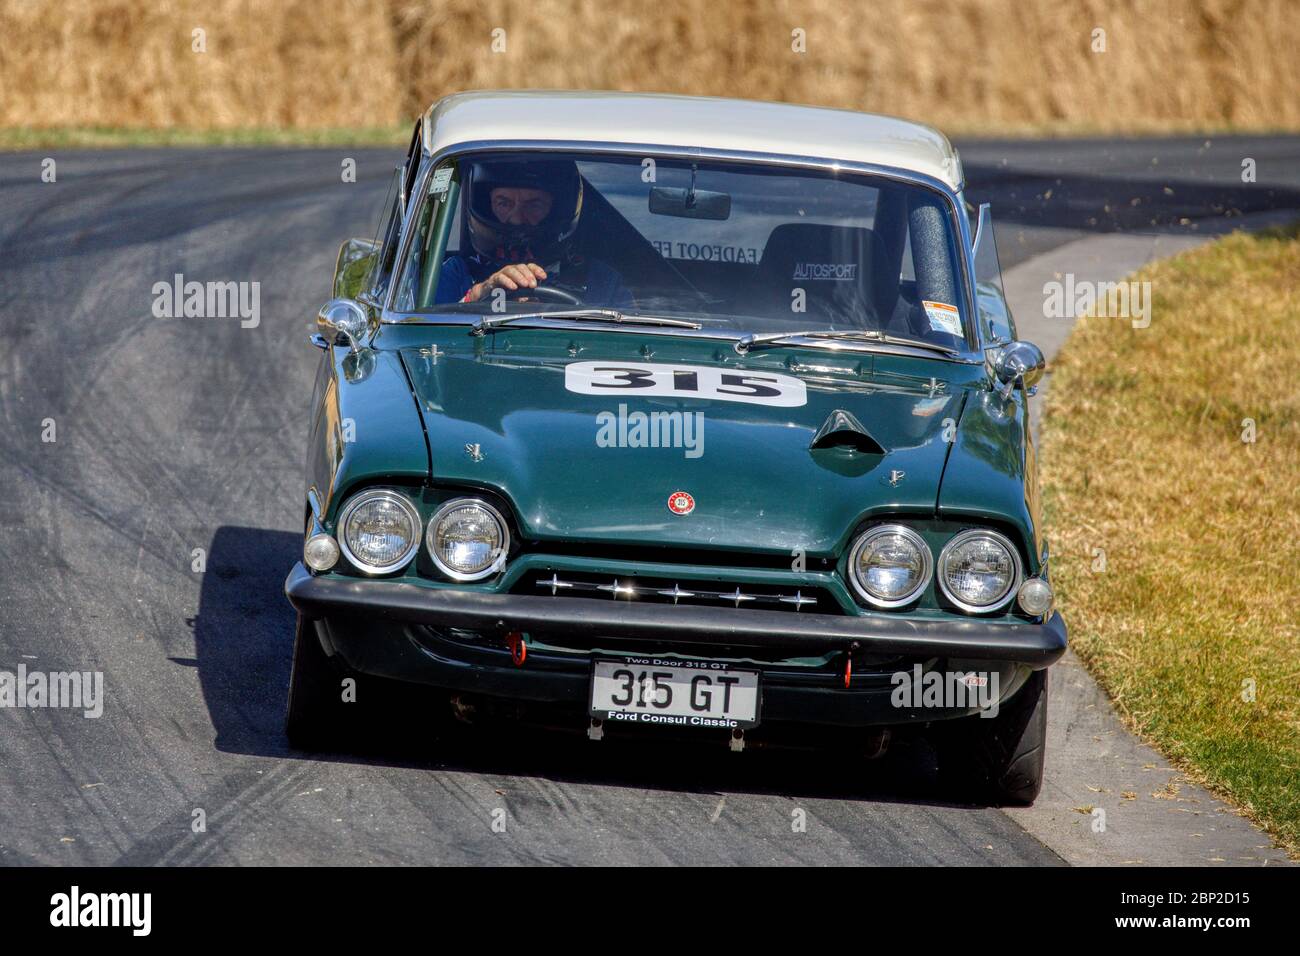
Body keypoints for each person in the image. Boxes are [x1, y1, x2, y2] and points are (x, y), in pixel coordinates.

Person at [435, 159, 632, 307]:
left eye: (534, 204)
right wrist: (479, 293)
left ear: (557, 209)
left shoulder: (600, 282)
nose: (516, 218)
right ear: (487, 206)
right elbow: (424, 342)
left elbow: (626, 348)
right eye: (504, 203)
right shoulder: (455, 275)